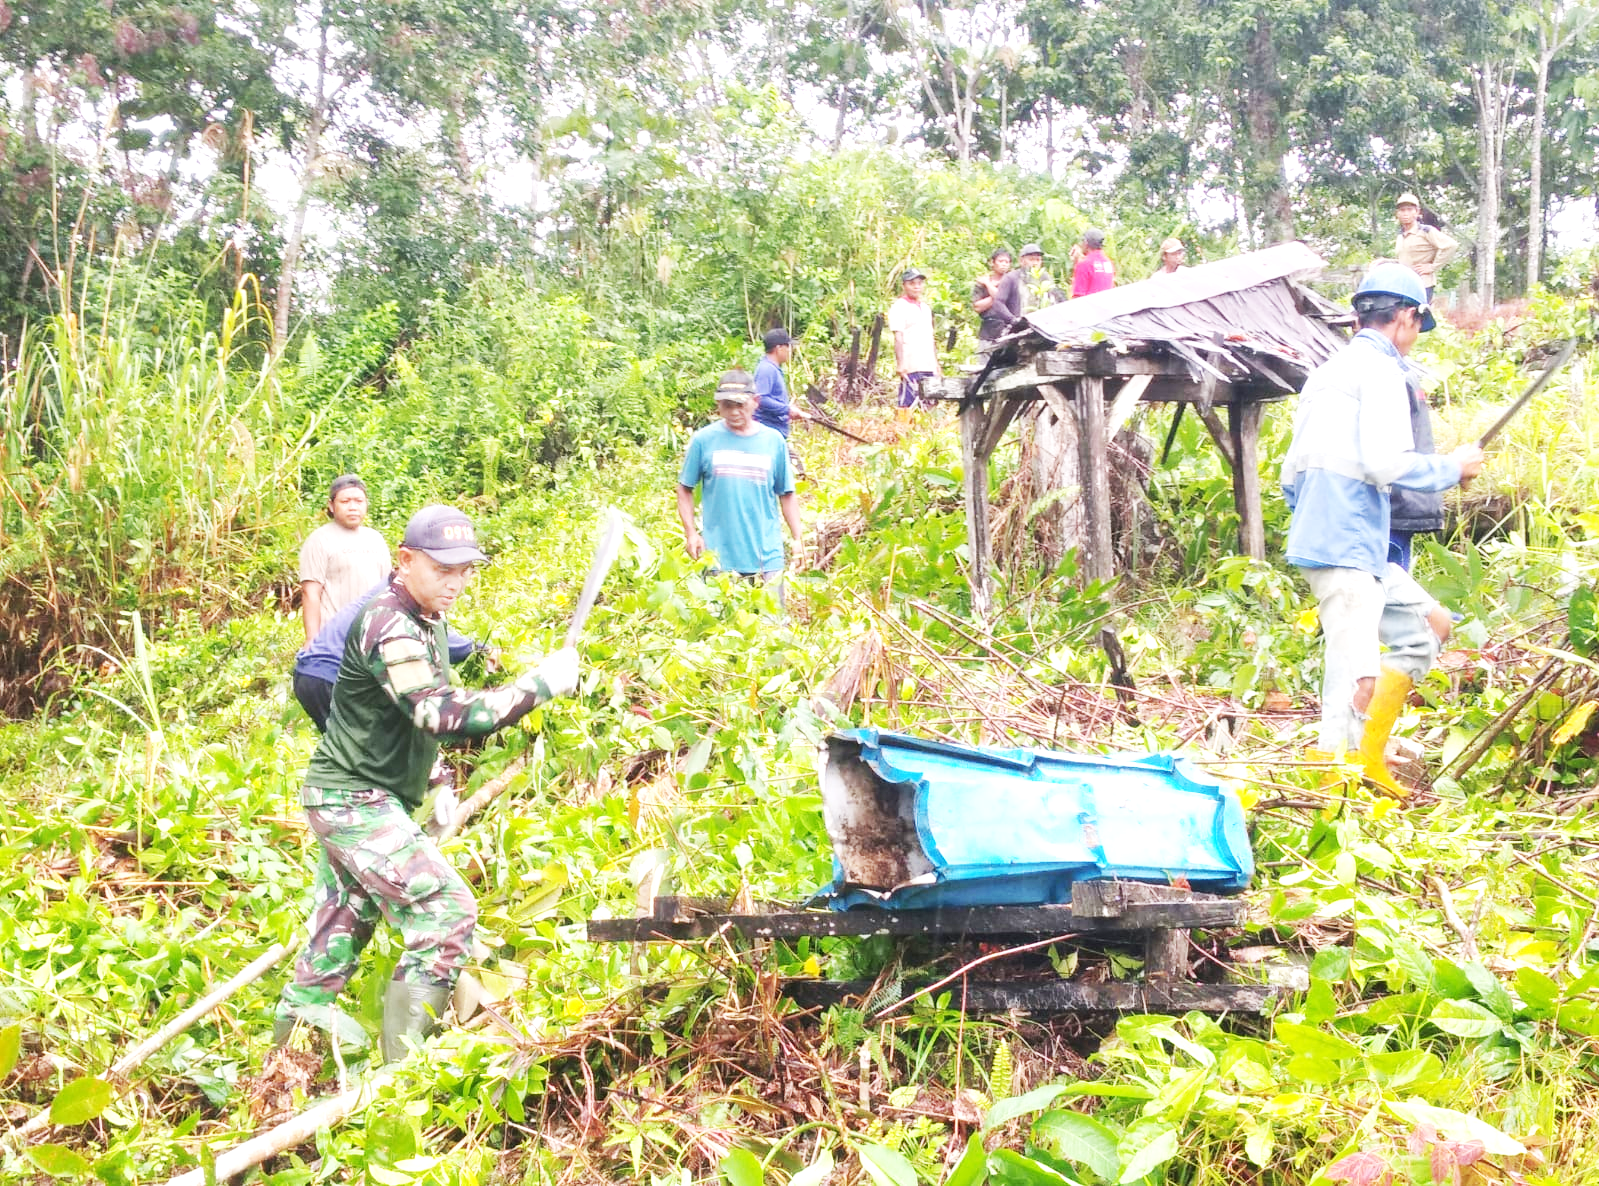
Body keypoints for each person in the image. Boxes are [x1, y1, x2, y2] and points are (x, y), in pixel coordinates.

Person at [274, 505, 580, 1060]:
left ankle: (284, 1064)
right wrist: (539, 686)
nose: (456, 582)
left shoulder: (425, 619)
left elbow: (406, 712)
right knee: (446, 911)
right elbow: (437, 712)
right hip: (352, 800)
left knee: (339, 929)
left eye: (466, 570)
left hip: (358, 794)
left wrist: (436, 777)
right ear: (406, 560)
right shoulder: (389, 621)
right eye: (444, 569)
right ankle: (402, 1070)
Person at [1280, 263, 1484, 795]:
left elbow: (1290, 474)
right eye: (1418, 326)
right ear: (1407, 317)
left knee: (1428, 626)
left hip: (1350, 542)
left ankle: (1366, 760)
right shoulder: (1383, 371)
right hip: (1345, 544)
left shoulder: (1328, 372)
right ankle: (1338, 786)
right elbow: (1385, 463)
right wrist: (1452, 468)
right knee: (1355, 676)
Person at [292, 578, 493, 733]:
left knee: (351, 753)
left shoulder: (394, 590)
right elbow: (447, 644)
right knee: (368, 756)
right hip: (328, 675)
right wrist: (483, 650)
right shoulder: (396, 601)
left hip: (312, 672)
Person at [676, 371, 802, 595]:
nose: (734, 412)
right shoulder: (704, 440)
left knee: (772, 625)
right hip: (718, 558)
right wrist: (691, 533)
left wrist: (797, 538)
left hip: (767, 557)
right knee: (721, 628)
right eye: (727, 405)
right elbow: (684, 488)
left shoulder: (773, 441)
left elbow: (787, 493)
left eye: (740, 404)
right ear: (719, 406)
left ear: (755, 402)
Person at [299, 475, 392, 644]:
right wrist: (312, 639)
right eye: (345, 501)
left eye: (358, 501)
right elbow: (310, 592)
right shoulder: (319, 540)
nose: (353, 507)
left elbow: (388, 590)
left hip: (372, 636)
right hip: (334, 636)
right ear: (331, 506)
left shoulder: (376, 539)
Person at [753, 327, 808, 480]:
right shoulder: (766, 370)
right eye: (788, 346)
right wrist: (786, 409)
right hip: (768, 431)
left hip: (775, 431)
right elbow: (761, 398)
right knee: (794, 469)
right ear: (779, 348)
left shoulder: (772, 368)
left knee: (794, 468)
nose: (790, 351)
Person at [887, 268, 940, 412]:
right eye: (912, 283)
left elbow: (930, 337)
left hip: (928, 364)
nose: (917, 286)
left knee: (929, 402)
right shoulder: (899, 307)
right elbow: (898, 337)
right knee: (908, 402)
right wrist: (900, 364)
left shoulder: (925, 308)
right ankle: (903, 432)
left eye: (919, 283)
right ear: (904, 285)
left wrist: (935, 363)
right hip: (911, 364)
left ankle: (925, 433)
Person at [1393, 193, 1457, 301]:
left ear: (1417, 212)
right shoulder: (1401, 235)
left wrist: (1432, 267)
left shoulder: (1426, 231)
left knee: (1419, 316)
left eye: (1409, 210)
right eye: (1402, 210)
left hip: (1422, 285)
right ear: (1397, 213)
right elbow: (1405, 259)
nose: (1405, 213)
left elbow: (1451, 245)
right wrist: (1385, 261)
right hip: (1404, 285)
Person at [972, 248, 1019, 342]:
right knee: (984, 354)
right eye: (1001, 261)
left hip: (1008, 327)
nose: (1004, 264)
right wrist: (997, 297)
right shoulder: (981, 283)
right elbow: (977, 307)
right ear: (992, 263)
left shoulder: (1013, 282)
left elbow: (1000, 299)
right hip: (988, 328)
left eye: (1007, 262)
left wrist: (988, 284)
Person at [1071, 228, 1115, 298]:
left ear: (1086, 243)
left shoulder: (1084, 264)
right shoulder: (1108, 263)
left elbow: (1078, 297)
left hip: (1090, 308)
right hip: (1107, 307)